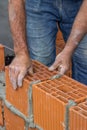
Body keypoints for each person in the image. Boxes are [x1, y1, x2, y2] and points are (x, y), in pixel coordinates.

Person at [8, 0, 87, 89]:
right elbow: (15, 2)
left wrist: (68, 51)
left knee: (85, 62)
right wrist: (21, 53)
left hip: (79, 4)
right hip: (38, 3)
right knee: (41, 62)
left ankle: (82, 101)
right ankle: (44, 99)